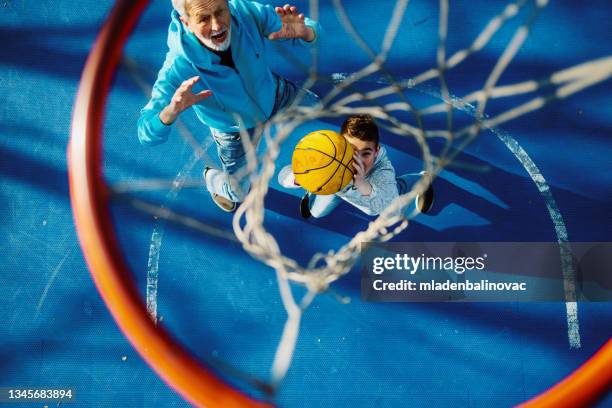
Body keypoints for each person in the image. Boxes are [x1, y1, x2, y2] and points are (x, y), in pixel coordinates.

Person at [138, 0, 322, 212]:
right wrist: (170, 112)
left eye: (220, 12)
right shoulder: (178, 67)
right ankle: (213, 178)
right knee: (238, 192)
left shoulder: (246, 11)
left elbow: (316, 32)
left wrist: (306, 32)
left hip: (273, 93)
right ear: (186, 22)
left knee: (317, 106)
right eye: (204, 19)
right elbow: (145, 133)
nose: (217, 25)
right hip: (234, 129)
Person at [278, 114, 434, 219]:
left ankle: (422, 179)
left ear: (376, 151)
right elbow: (283, 176)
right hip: (337, 188)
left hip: (372, 192)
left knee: (394, 201)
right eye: (351, 152)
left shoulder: (382, 170)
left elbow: (381, 207)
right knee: (317, 213)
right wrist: (300, 178)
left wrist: (361, 184)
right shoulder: (328, 155)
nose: (357, 161)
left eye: (365, 153)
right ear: (340, 145)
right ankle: (314, 188)